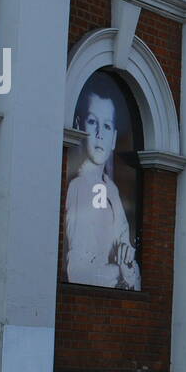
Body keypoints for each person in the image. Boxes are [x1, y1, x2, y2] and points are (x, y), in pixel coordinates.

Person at [64, 80, 141, 289]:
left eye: (106, 126)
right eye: (92, 122)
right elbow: (77, 273)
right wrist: (121, 272)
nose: (99, 133)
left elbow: (132, 265)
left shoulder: (112, 191)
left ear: (114, 138)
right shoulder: (77, 187)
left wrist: (127, 257)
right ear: (80, 126)